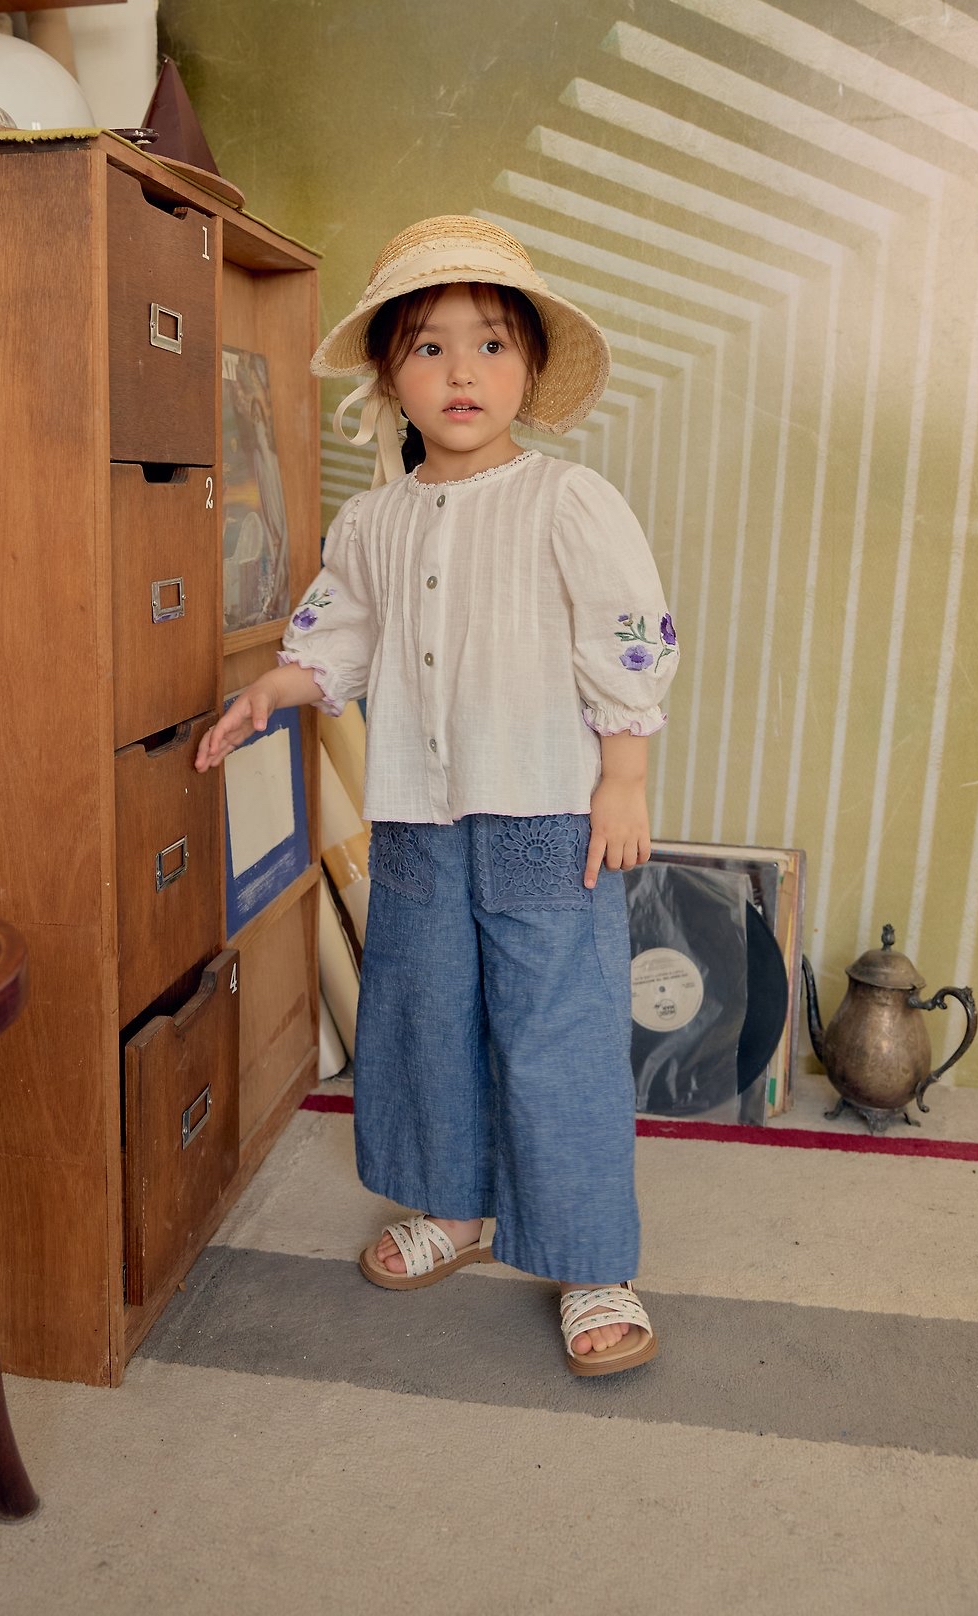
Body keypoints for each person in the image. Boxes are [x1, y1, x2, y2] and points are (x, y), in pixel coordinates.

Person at [194, 215, 680, 1375]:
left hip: (546, 815)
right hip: (414, 819)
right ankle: (453, 1209)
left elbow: (625, 642)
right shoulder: (370, 522)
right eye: (426, 347)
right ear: (388, 376)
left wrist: (624, 777)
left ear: (527, 369)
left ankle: (590, 1260)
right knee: (419, 1020)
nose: (460, 372)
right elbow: (342, 637)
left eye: (489, 344)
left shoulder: (565, 501)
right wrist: (280, 683)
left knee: (551, 1032)